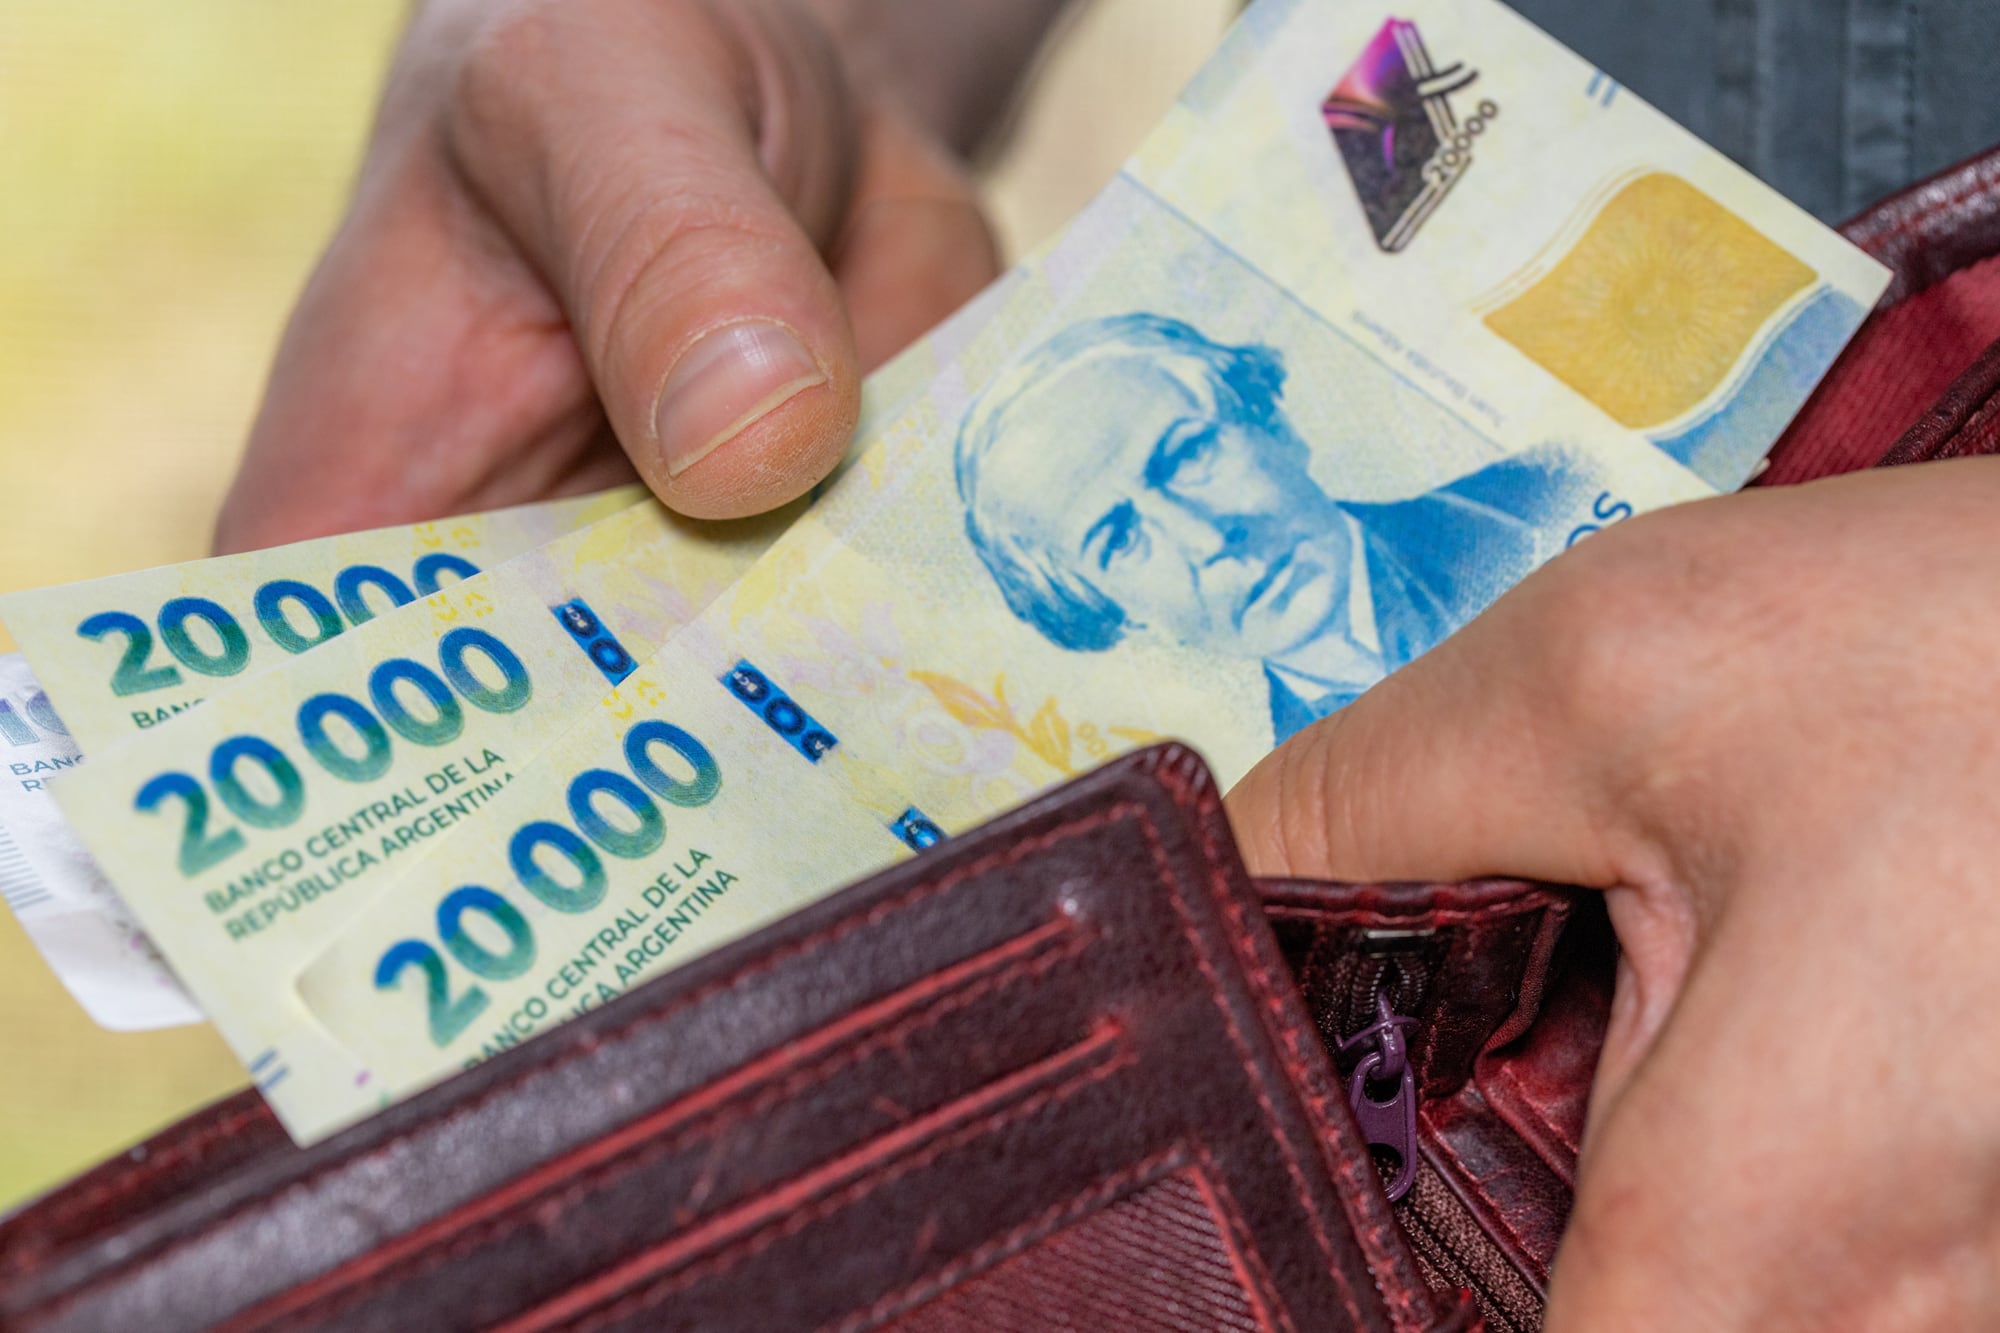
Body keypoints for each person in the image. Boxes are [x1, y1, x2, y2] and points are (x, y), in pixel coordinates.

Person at [221, 3, 2000, 1326]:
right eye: (1125, 534)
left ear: (1265, 403)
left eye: (1187, 455)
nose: (1197, 532)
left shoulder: (1534, 483)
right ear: (1096, 613)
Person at [954, 312, 1588, 742]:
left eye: (1187, 454)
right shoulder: (1290, 839)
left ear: (1273, 423)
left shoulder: (1556, 489)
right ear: (1109, 610)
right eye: (1119, 540)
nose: (1208, 539)